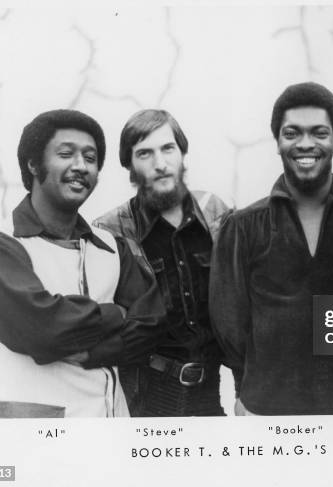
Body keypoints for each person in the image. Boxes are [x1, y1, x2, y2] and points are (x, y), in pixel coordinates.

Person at [210, 82, 333, 415]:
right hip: (265, 409)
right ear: (278, 142)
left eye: (319, 133)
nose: (306, 144)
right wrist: (245, 388)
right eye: (292, 133)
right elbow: (230, 326)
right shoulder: (242, 227)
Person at [0, 109, 166, 418]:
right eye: (66, 154)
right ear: (33, 164)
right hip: (33, 439)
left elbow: (152, 325)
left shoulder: (112, 247)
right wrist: (116, 312)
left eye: (90, 158)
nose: (81, 166)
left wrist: (94, 353)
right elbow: (42, 329)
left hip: (110, 434)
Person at [94, 109, 230, 416]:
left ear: (182, 153)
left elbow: (240, 309)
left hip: (210, 393)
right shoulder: (109, 232)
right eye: (144, 153)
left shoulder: (216, 214)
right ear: (129, 165)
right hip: (143, 397)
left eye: (168, 148)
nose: (160, 163)